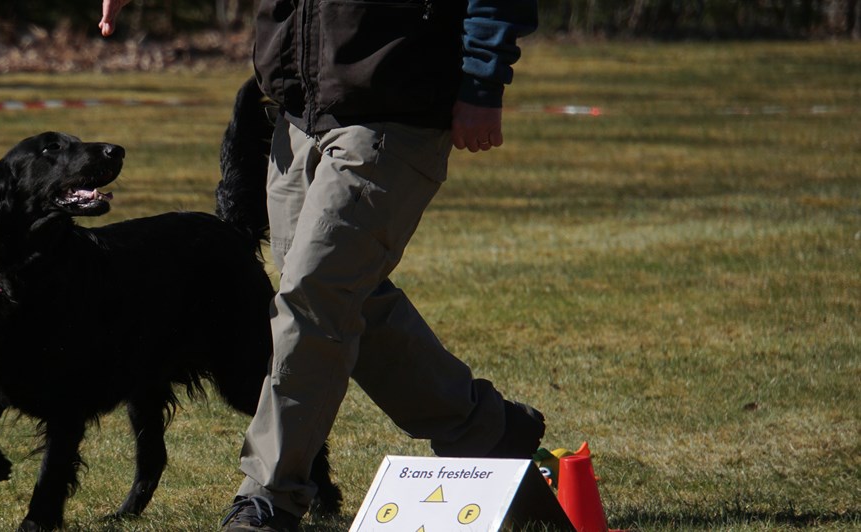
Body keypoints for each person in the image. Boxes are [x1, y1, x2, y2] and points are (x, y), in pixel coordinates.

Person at [101, 1, 544, 530]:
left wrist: (483, 79)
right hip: (298, 118)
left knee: (314, 296)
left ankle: (270, 494)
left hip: (392, 108)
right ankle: (488, 429)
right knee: (345, 298)